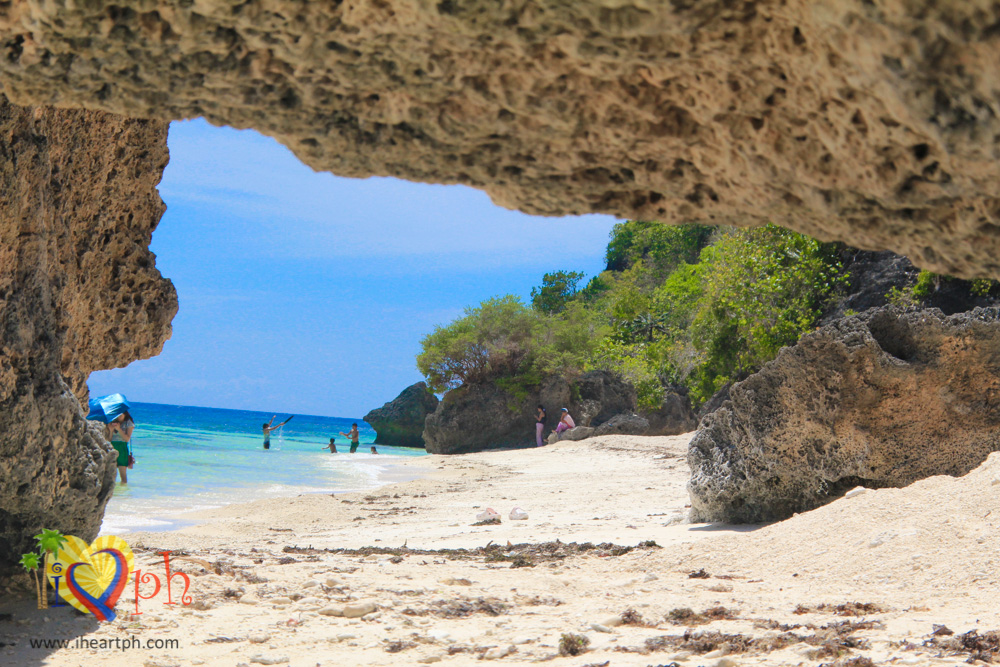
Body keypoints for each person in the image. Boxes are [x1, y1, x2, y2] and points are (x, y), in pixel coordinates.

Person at [108, 412, 134, 484]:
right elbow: (109, 440)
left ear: (125, 414)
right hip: (112, 446)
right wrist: (110, 430)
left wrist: (119, 429)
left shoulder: (128, 423)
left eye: (120, 415)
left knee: (123, 475)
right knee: (110, 474)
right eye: (117, 415)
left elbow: (127, 439)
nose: (118, 417)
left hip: (122, 447)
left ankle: (124, 493)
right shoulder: (112, 421)